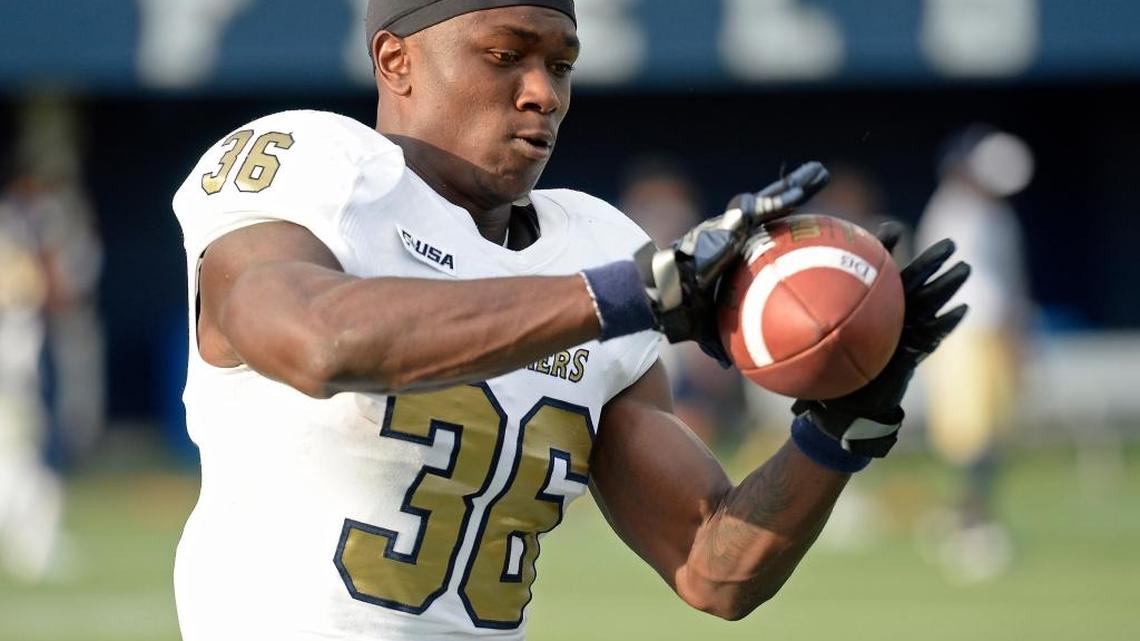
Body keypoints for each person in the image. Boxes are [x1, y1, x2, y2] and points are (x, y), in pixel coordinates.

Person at [171, 2, 970, 639]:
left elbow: (713, 565)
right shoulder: (311, 167)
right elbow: (316, 340)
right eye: (505, 53)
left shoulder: (595, 243)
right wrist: (622, 298)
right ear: (395, 60)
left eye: (561, 64)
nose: (542, 92)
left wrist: (842, 425)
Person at [916, 124, 1033, 582]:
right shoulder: (954, 213)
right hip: (964, 335)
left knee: (994, 435)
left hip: (992, 337)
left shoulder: (997, 217)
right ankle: (968, 522)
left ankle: (969, 516)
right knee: (971, 437)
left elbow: (1011, 283)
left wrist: (1018, 338)